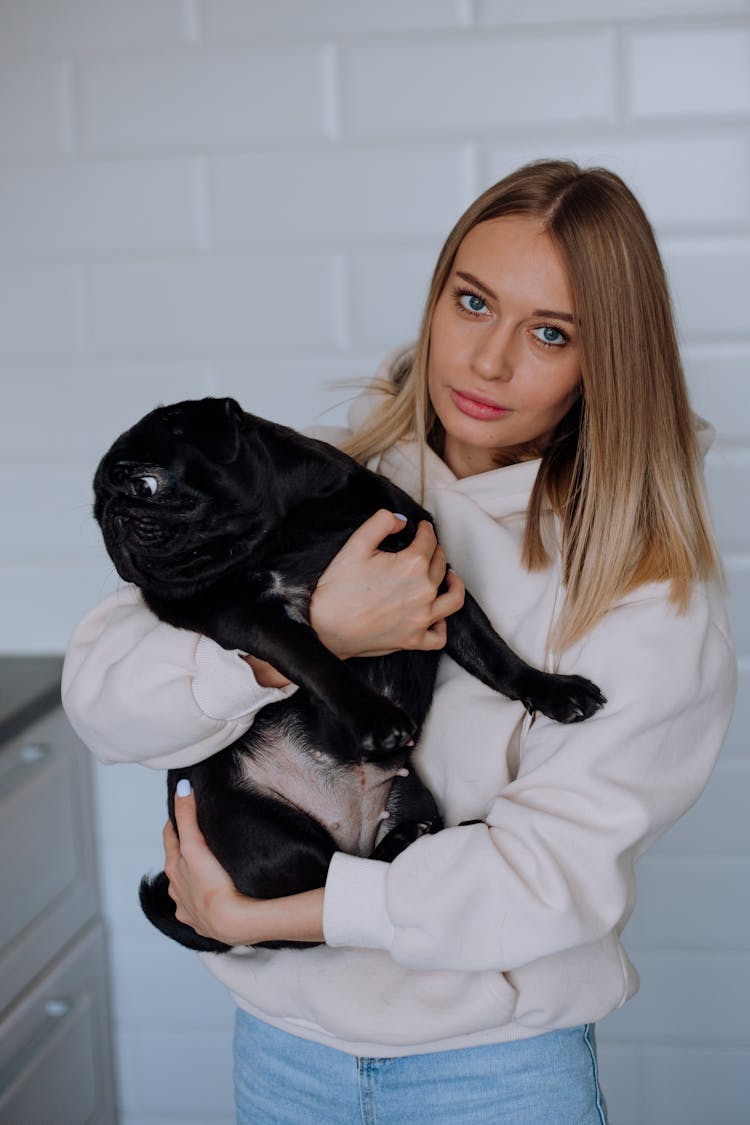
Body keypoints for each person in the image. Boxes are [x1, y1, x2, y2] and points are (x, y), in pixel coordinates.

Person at [62, 160, 736, 1124]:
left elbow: (546, 878)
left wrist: (261, 917)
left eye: (551, 333)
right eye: (472, 302)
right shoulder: (310, 482)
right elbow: (103, 702)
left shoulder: (643, 588)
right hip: (283, 1055)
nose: (490, 360)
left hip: (494, 1078)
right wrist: (304, 637)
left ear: (607, 364)